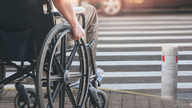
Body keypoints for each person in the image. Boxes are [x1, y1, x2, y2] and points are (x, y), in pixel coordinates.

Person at [52, 0, 101, 74]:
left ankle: (44, 73)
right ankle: (90, 72)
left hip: (31, 37)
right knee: (91, 10)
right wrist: (74, 25)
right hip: (52, 32)